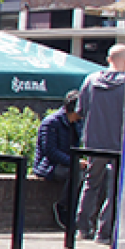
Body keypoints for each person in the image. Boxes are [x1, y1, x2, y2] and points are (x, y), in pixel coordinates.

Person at [75, 44, 125, 245]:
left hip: (94, 142)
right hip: (119, 144)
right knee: (115, 189)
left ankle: (82, 228)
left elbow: (80, 111)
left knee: (90, 184)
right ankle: (104, 233)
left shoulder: (90, 80)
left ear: (108, 59)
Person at [36, 91, 82, 229]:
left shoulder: (77, 124)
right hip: (49, 165)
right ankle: (63, 207)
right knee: (75, 174)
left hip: (68, 163)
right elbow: (50, 151)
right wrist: (74, 162)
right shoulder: (51, 123)